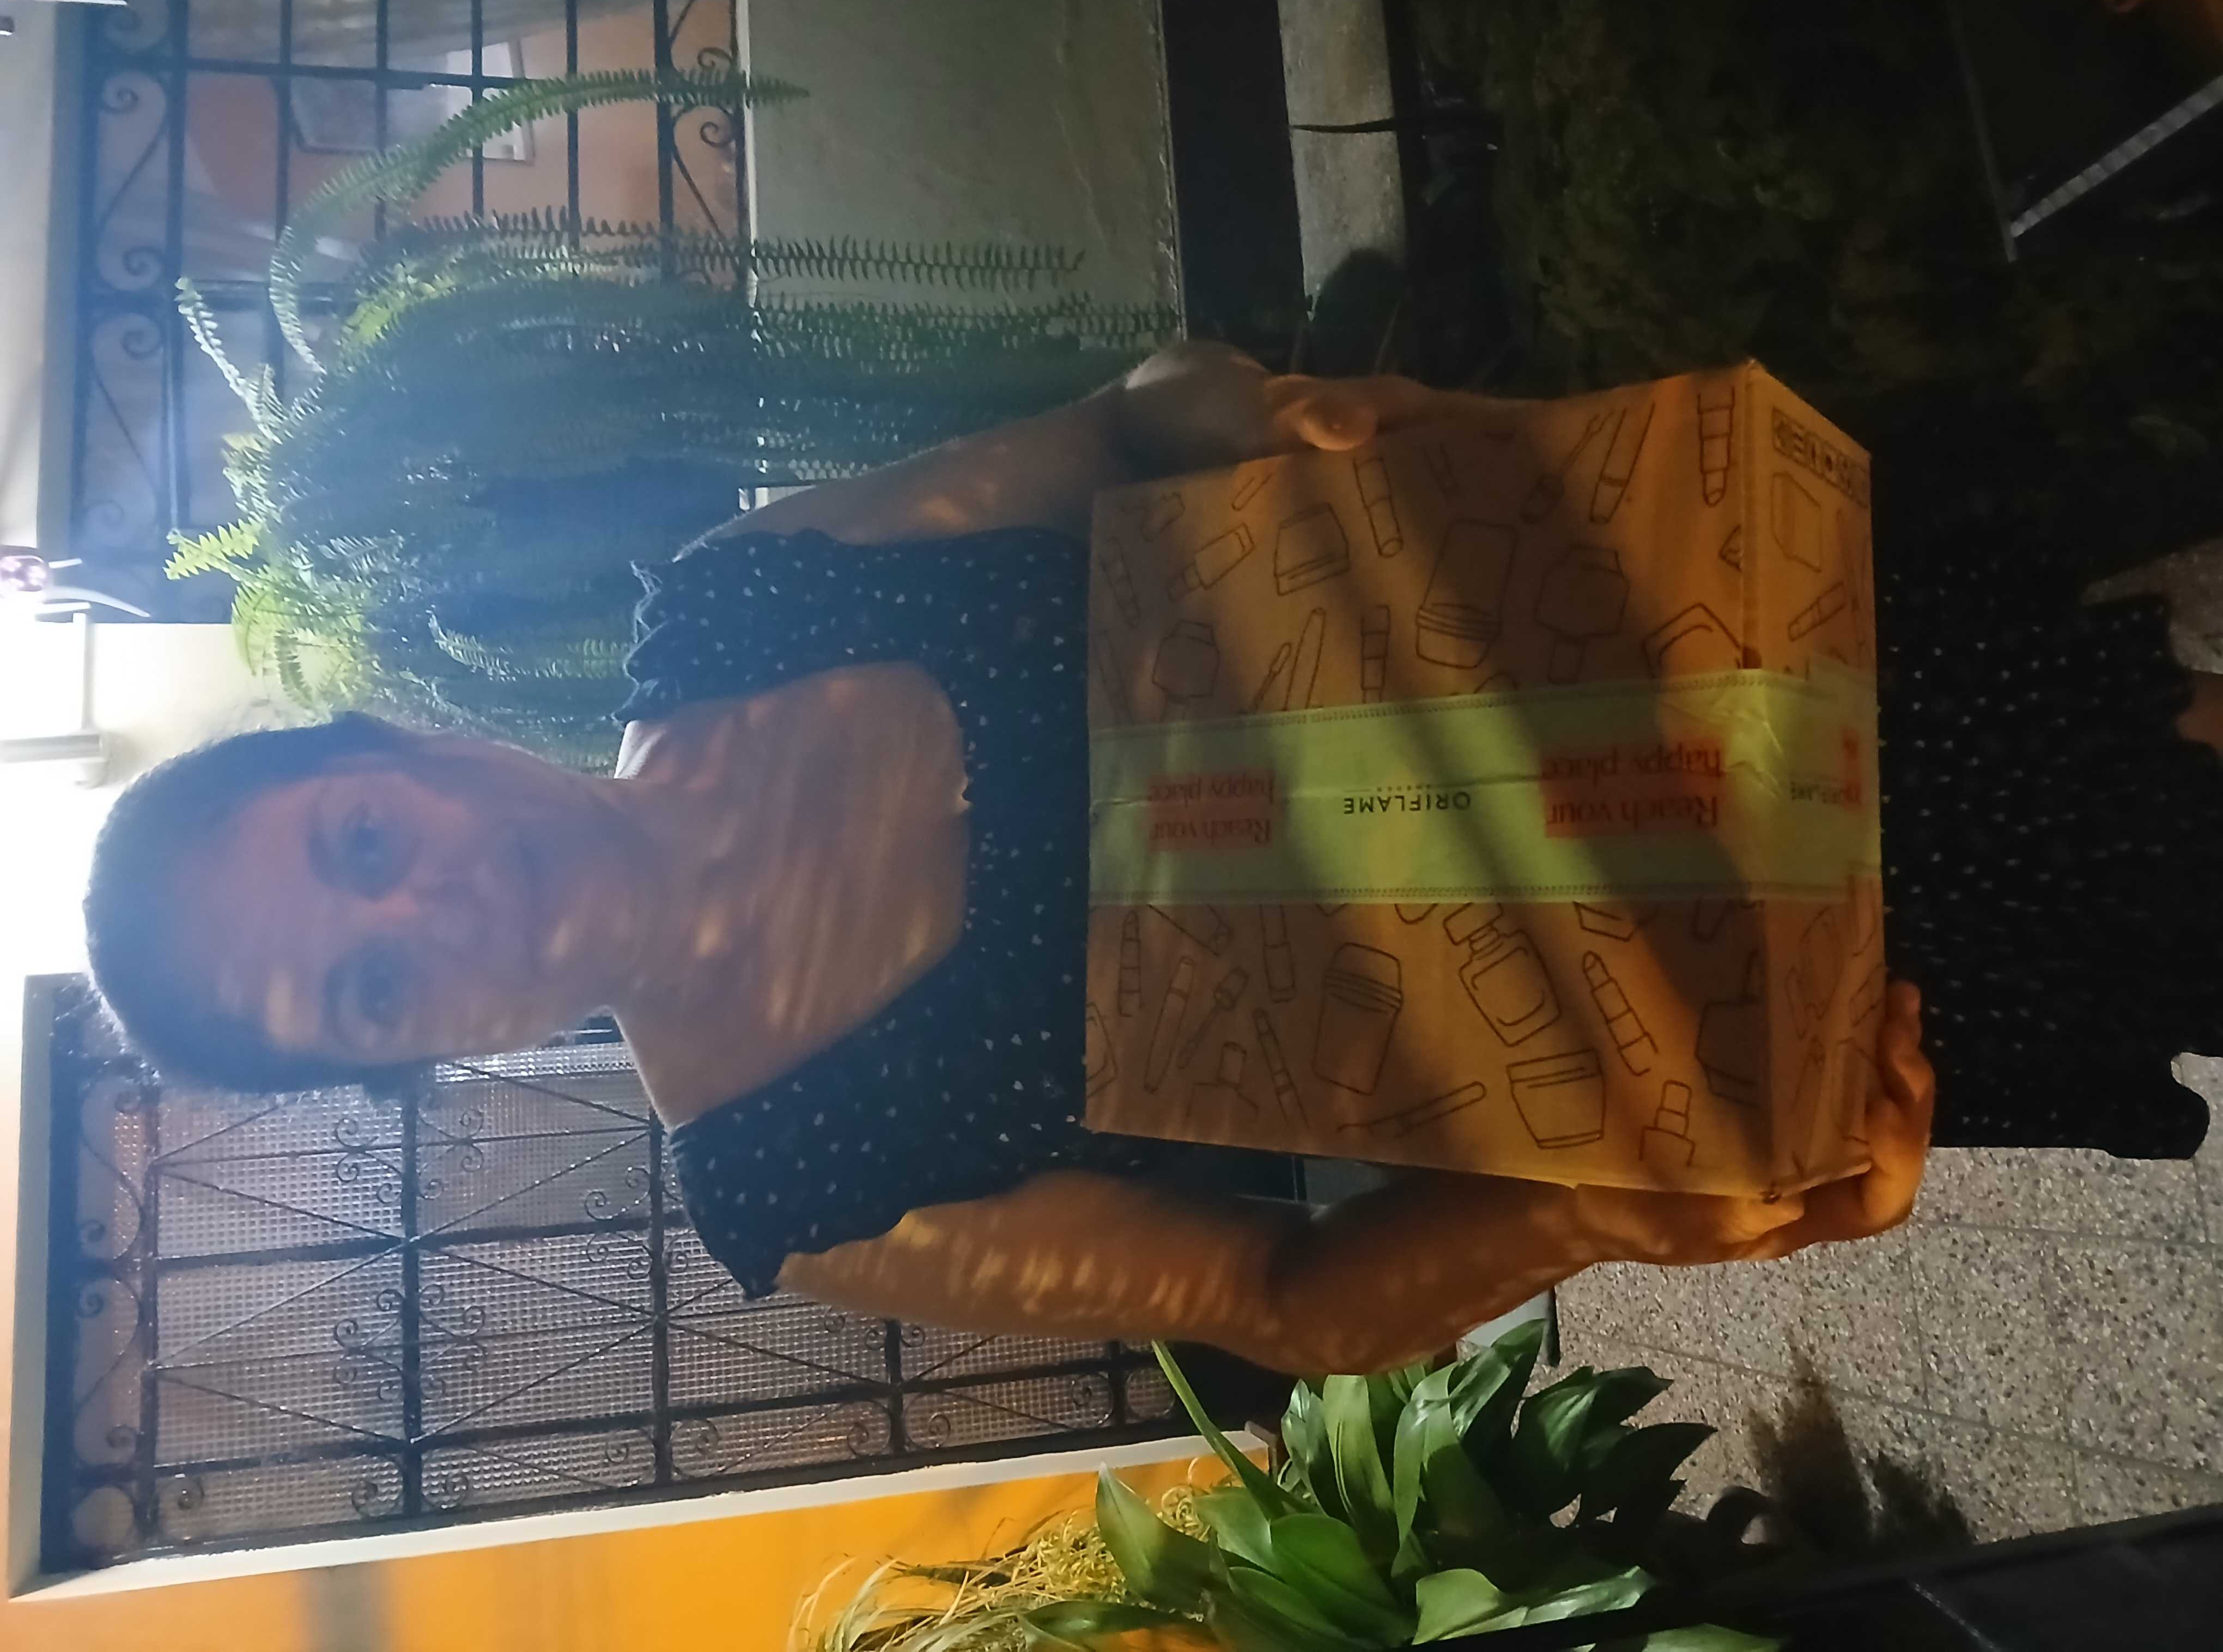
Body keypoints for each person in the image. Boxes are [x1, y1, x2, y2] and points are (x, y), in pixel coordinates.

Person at [83, 344, 1936, 1376]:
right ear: (430, 1053)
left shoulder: (748, 597)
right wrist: (1620, 1211)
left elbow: (1120, 429)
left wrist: (1260, 417)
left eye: (362, 842)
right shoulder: (797, 1173)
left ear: (403, 744)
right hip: (1709, 983)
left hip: (1668, 623)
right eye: (374, 987)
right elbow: (1272, 1301)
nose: (436, 911)